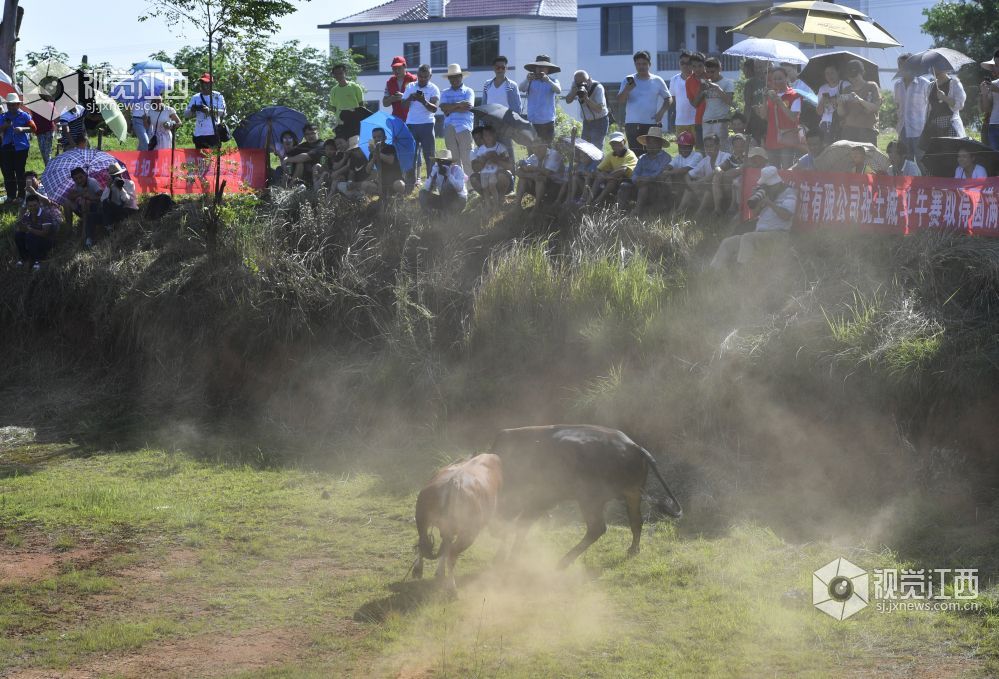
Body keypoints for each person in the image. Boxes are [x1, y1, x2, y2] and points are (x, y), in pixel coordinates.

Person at [710, 165, 796, 269]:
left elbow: (786, 216)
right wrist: (758, 204)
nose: (764, 187)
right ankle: (713, 274)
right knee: (727, 243)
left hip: (779, 235)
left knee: (748, 237)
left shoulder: (789, 192)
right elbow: (755, 214)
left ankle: (742, 274)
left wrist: (770, 203)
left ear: (774, 184)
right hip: (759, 234)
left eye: (766, 185)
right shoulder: (766, 193)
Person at [618, 50, 671, 153]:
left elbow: (668, 98)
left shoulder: (657, 80)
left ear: (649, 64)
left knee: (653, 153)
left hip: (651, 123)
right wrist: (627, 89)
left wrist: (660, 113)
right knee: (635, 153)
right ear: (635, 65)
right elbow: (620, 100)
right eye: (638, 64)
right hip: (632, 124)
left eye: (644, 64)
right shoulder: (628, 80)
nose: (641, 66)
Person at [617, 126, 672, 215]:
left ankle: (637, 211)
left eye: (653, 142)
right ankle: (620, 211)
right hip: (640, 184)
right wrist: (637, 179)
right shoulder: (642, 158)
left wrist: (648, 179)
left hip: (657, 188)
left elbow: (661, 174)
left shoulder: (666, 158)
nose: (650, 145)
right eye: (648, 143)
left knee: (645, 186)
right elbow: (635, 173)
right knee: (624, 186)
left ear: (660, 144)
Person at [757, 67, 802, 170]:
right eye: (774, 79)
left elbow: (794, 117)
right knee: (773, 170)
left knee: (787, 169)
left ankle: (787, 186)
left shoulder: (795, 95)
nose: (777, 81)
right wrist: (764, 99)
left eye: (780, 78)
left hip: (787, 139)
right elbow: (763, 116)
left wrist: (780, 102)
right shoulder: (770, 95)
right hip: (772, 138)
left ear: (786, 78)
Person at [403, 65, 440, 182]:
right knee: (411, 156)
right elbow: (403, 105)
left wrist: (423, 101)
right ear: (417, 75)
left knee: (429, 156)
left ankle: (430, 183)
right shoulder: (410, 86)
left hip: (427, 125)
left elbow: (434, 109)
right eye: (420, 76)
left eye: (425, 77)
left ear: (430, 76)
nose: (422, 79)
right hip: (411, 125)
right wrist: (410, 98)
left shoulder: (434, 88)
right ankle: (410, 184)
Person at [482, 56, 522, 161]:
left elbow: (517, 108)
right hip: (490, 125)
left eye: (502, 67)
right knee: (491, 153)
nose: (500, 70)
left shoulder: (512, 85)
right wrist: (482, 125)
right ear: (493, 68)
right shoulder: (487, 84)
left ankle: (511, 175)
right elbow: (483, 105)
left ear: (506, 68)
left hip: (505, 124)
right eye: (497, 67)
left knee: (508, 153)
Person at [0, 93, 36, 205]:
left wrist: (22, 129)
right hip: (6, 147)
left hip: (21, 148)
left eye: (13, 105)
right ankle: (11, 195)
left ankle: (21, 195)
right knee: (8, 172)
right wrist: (4, 126)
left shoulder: (25, 116)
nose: (11, 107)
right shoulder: (3, 116)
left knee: (20, 172)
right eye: (9, 105)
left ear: (18, 104)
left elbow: (33, 128)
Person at [440, 63, 476, 174]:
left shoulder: (469, 91)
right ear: (449, 79)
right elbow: (443, 108)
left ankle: (470, 187)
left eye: (456, 76)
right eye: (452, 77)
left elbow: (468, 107)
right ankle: (459, 186)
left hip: (464, 127)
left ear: (461, 77)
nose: (454, 79)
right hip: (449, 127)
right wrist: (459, 105)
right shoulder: (445, 92)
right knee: (454, 160)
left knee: (467, 158)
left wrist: (450, 108)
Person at [681, 133, 730, 213]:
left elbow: (714, 173)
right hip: (709, 188)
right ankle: (679, 210)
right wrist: (691, 184)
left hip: (724, 191)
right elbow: (688, 174)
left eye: (711, 146)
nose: (708, 149)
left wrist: (698, 182)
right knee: (689, 189)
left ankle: (698, 215)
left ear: (718, 146)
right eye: (706, 146)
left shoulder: (726, 156)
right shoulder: (705, 160)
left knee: (708, 189)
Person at [514, 138, 564, 215]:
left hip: (556, 186)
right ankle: (516, 206)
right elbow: (517, 172)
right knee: (523, 179)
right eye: (534, 148)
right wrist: (530, 175)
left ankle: (536, 208)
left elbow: (547, 173)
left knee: (540, 178)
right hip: (542, 184)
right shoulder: (534, 156)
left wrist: (533, 169)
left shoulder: (554, 154)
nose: (537, 150)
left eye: (539, 147)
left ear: (546, 146)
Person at [837, 59, 881, 145]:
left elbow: (876, 107)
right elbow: (841, 114)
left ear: (862, 73)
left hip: (867, 130)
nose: (853, 78)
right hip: (849, 130)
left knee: (868, 156)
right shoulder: (847, 89)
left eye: (855, 75)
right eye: (850, 76)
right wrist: (840, 105)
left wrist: (860, 101)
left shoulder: (871, 86)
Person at [693, 58, 735, 150]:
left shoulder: (728, 82)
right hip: (706, 122)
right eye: (707, 72)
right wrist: (701, 90)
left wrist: (717, 88)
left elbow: (729, 101)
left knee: (722, 150)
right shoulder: (705, 83)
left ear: (720, 69)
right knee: (708, 151)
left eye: (712, 72)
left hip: (721, 121)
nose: (709, 75)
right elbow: (695, 104)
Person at [895, 53, 931, 159]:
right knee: (905, 160)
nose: (902, 67)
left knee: (921, 161)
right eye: (899, 65)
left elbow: (930, 107)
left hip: (919, 129)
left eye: (904, 64)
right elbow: (897, 105)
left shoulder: (924, 83)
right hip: (902, 128)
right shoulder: (897, 85)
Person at [588, 131, 638, 206]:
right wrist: (604, 175)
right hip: (616, 179)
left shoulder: (630, 154)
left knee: (611, 179)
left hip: (630, 181)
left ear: (624, 142)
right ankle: (588, 201)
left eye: (618, 143)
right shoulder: (611, 155)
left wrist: (607, 176)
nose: (616, 146)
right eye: (613, 144)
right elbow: (598, 169)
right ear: (611, 145)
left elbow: (623, 170)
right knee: (601, 176)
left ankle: (597, 201)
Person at [469, 125, 513, 208]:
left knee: (499, 177)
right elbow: (475, 168)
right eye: (476, 139)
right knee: (477, 180)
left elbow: (509, 166)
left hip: (497, 174)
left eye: (481, 137)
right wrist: (485, 158)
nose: (479, 141)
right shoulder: (477, 150)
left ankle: (499, 200)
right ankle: (488, 202)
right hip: (485, 174)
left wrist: (496, 158)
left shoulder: (500, 147)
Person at [521, 55, 562, 143]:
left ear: (548, 69)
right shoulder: (530, 80)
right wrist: (526, 80)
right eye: (538, 67)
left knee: (548, 149)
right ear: (535, 68)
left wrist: (548, 81)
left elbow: (558, 90)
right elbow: (521, 88)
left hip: (547, 121)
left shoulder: (553, 81)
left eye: (543, 67)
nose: (540, 69)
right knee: (532, 148)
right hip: (532, 121)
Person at [921, 66, 967, 142]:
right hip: (933, 127)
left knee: (950, 152)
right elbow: (929, 107)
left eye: (938, 68)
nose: (935, 71)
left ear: (945, 68)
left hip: (949, 125)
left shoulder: (954, 83)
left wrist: (944, 97)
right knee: (935, 153)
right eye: (933, 68)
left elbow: (960, 105)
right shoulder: (931, 85)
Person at [565, 70, 609, 149]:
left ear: (589, 80)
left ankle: (598, 162)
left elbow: (599, 109)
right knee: (585, 149)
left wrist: (586, 98)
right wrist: (573, 92)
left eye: (583, 82)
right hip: (587, 122)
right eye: (578, 82)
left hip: (600, 121)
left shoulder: (597, 87)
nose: (581, 85)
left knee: (596, 148)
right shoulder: (575, 85)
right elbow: (568, 101)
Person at [362, 127, 406, 201]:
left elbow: (390, 160)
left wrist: (377, 153)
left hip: (394, 180)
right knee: (364, 185)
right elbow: (368, 170)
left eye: (379, 137)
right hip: (380, 182)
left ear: (385, 138)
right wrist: (373, 157)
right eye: (374, 137)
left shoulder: (390, 148)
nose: (376, 139)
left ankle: (399, 199)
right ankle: (379, 200)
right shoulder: (372, 153)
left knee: (399, 184)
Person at [15, 193, 56, 270]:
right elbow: (21, 230)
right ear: (27, 206)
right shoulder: (26, 216)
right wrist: (20, 227)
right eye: (30, 206)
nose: (33, 208)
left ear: (39, 204)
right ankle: (25, 259)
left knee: (31, 235)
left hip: (47, 242)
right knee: (18, 235)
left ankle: (39, 260)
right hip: (33, 241)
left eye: (35, 205)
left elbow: (45, 234)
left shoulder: (45, 215)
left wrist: (29, 229)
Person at [185, 74, 227, 149]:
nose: (204, 85)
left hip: (214, 134)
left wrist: (209, 110)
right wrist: (192, 110)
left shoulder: (218, 96)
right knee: (199, 159)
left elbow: (224, 112)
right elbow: (186, 115)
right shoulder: (195, 97)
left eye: (206, 83)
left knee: (214, 159)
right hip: (199, 134)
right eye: (202, 83)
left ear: (211, 84)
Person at [64, 167, 103, 247]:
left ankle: (84, 232)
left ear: (85, 175)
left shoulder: (92, 182)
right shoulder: (77, 185)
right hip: (83, 209)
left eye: (80, 177)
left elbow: (103, 198)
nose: (79, 180)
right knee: (67, 202)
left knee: (86, 202)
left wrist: (91, 198)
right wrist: (80, 194)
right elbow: (70, 197)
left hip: (95, 210)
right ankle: (69, 229)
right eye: (76, 179)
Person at [713, 133, 750, 214]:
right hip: (728, 185)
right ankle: (717, 208)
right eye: (736, 147)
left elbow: (739, 170)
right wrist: (719, 170)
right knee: (716, 177)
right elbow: (718, 167)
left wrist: (724, 174)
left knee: (734, 180)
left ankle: (732, 208)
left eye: (741, 146)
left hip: (743, 185)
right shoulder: (732, 158)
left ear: (746, 147)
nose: (739, 149)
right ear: (733, 147)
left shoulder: (748, 158)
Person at [817, 64, 849, 146]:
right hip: (825, 123)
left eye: (832, 73)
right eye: (827, 74)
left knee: (840, 148)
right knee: (826, 149)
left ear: (838, 72)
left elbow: (849, 103)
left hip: (840, 123)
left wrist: (835, 100)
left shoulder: (845, 85)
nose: (829, 76)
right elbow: (819, 112)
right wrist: (822, 100)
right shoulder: (822, 88)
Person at [670, 51, 696, 138]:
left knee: (699, 150)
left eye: (688, 63)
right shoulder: (674, 80)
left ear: (692, 64)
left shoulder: (698, 78)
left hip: (696, 121)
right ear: (679, 63)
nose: (685, 65)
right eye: (682, 63)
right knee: (683, 150)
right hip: (680, 122)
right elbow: (673, 99)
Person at [684, 53, 708, 150]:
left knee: (716, 150)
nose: (697, 69)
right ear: (691, 67)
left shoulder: (710, 76)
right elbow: (694, 104)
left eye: (700, 66)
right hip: (699, 120)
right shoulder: (689, 81)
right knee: (700, 150)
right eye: (694, 66)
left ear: (704, 65)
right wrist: (701, 91)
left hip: (714, 118)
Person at [331, 62, 366, 127]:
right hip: (341, 123)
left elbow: (362, 106)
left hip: (355, 121)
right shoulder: (333, 90)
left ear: (345, 73)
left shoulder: (355, 87)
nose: (338, 76)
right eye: (336, 74)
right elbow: (334, 107)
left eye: (341, 73)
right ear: (334, 76)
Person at [383, 56, 418, 120]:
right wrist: (392, 99)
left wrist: (404, 97)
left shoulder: (414, 79)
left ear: (405, 67)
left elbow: (420, 98)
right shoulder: (389, 82)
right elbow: (385, 103)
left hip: (413, 119)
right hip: (396, 119)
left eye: (399, 68)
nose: (396, 71)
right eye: (394, 68)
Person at [743, 59, 768, 146]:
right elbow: (747, 105)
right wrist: (745, 122)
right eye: (756, 67)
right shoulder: (750, 83)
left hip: (770, 119)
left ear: (766, 66)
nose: (758, 70)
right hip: (755, 121)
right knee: (757, 146)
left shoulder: (771, 81)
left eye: (760, 67)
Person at [980, 51, 999, 151]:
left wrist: (996, 89)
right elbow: (986, 109)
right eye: (994, 65)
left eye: (996, 65)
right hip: (994, 125)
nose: (994, 68)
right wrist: (984, 94)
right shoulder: (993, 84)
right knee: (995, 160)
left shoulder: (994, 86)